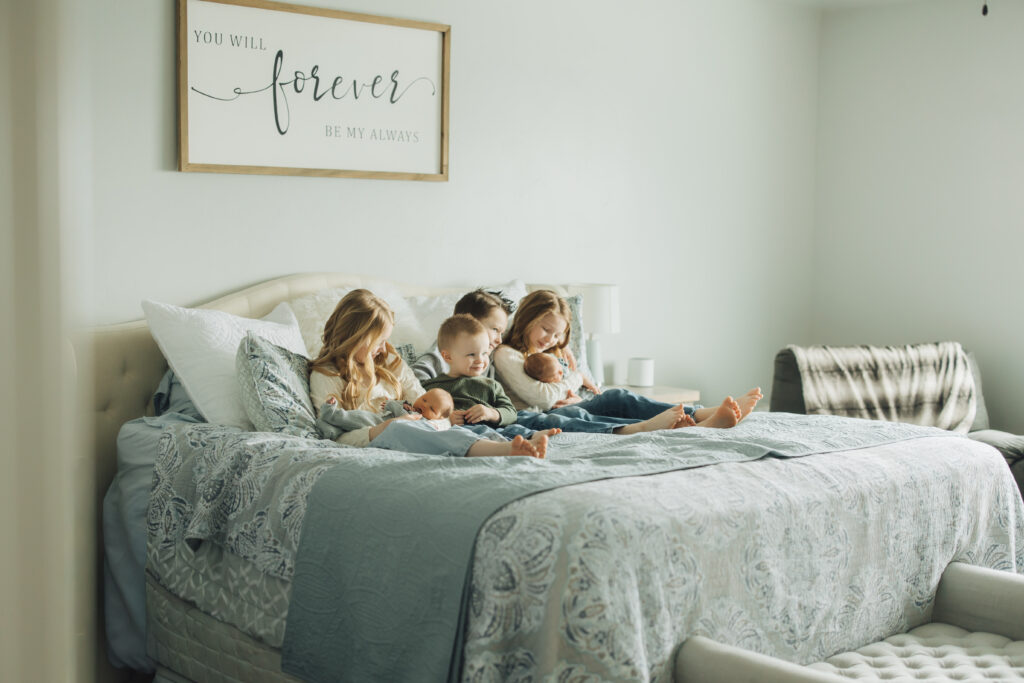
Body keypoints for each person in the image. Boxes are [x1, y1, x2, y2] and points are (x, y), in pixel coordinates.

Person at [308, 288, 549, 458]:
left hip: (415, 425)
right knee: (411, 431)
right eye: (378, 341)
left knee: (457, 430)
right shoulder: (326, 376)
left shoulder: (389, 360)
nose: (383, 348)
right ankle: (505, 451)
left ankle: (515, 442)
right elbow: (333, 436)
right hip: (382, 436)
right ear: (355, 337)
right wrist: (380, 430)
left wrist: (440, 420)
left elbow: (421, 397)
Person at [491, 289, 763, 433]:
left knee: (616, 400)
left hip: (574, 404)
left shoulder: (557, 352)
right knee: (613, 399)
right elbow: (542, 397)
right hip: (538, 414)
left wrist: (577, 386)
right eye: (545, 329)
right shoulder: (507, 354)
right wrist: (576, 378)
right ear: (527, 319)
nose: (550, 338)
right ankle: (695, 420)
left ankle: (701, 417)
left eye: (557, 334)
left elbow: (584, 389)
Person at [420, 314, 561, 441]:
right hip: (464, 433)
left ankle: (533, 437)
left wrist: (492, 413)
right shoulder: (432, 387)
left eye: (484, 353)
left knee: (514, 429)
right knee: (477, 432)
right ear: (448, 356)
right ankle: (518, 443)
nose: (480, 360)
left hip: (494, 428)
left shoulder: (491, 385)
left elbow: (511, 413)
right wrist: (446, 420)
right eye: (471, 354)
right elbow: (421, 414)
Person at [412, 288, 515, 381]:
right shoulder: (442, 354)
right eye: (495, 330)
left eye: (501, 333)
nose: (499, 340)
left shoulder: (487, 360)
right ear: (469, 323)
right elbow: (414, 378)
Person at [314, 387, 455, 440]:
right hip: (377, 421)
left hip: (379, 427)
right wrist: (395, 404)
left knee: (356, 420)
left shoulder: (424, 423)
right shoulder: (408, 406)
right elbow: (396, 406)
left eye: (432, 409)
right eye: (424, 399)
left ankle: (330, 421)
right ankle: (330, 420)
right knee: (356, 418)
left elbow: (401, 416)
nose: (424, 405)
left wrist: (393, 405)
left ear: (438, 418)